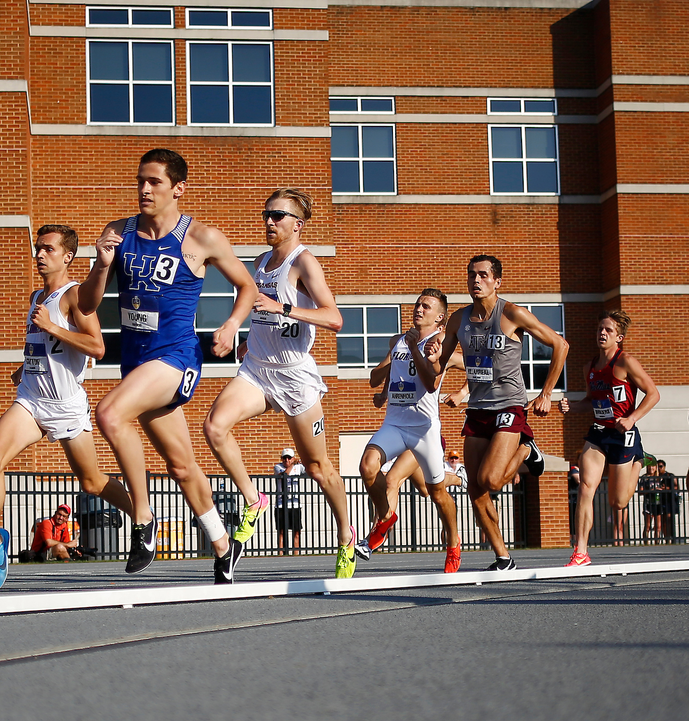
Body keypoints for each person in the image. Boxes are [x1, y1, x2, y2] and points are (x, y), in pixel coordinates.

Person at [78, 149, 257, 585]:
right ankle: (222, 543)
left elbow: (247, 287)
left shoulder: (200, 238)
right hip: (137, 363)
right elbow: (86, 304)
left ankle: (143, 518)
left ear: (178, 188)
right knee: (181, 466)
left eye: (154, 182)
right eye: (140, 180)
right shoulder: (118, 233)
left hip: (177, 358)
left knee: (109, 413)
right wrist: (102, 266)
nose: (144, 189)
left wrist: (232, 324)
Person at [0, 224, 134, 593]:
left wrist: (54, 329)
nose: (39, 254)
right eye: (38, 248)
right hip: (31, 398)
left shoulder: (74, 296)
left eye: (48, 249)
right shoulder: (36, 297)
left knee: (91, 481)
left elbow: (97, 347)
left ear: (67, 256)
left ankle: (141, 518)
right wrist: (26, 365)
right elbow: (43, 344)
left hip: (66, 405)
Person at [201, 188, 356, 578]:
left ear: (297, 224)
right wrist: (246, 339)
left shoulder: (304, 262)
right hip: (257, 368)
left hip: (294, 375)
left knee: (319, 468)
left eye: (278, 216)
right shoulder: (259, 262)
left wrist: (282, 306)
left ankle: (346, 536)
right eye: (267, 214)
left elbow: (334, 318)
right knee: (214, 427)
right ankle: (254, 501)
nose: (269, 221)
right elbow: (255, 310)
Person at [433, 254, 567, 571]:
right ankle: (503, 557)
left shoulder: (511, 313)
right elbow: (441, 366)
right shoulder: (459, 319)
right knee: (475, 488)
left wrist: (546, 393)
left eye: (482, 275)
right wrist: (431, 362)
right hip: (478, 409)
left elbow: (560, 345)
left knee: (491, 480)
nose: (475, 281)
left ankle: (526, 449)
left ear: (497, 281)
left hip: (509, 405)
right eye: (471, 275)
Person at [357, 290, 464, 573]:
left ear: (440, 317)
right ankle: (386, 517)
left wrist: (464, 392)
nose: (418, 309)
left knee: (436, 493)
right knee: (368, 466)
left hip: (424, 431)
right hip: (395, 423)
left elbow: (431, 383)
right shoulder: (399, 341)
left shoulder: (442, 344)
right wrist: (384, 388)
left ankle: (453, 543)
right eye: (417, 304)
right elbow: (374, 378)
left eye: (426, 306)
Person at [567, 310, 659, 566]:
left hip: (623, 434)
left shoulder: (625, 361)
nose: (602, 333)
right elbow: (590, 402)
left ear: (619, 337)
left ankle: (639, 461)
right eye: (600, 329)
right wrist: (572, 407)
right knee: (586, 488)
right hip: (598, 432)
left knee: (617, 503)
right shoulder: (589, 367)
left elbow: (653, 394)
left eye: (608, 330)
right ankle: (581, 552)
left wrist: (632, 418)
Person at [274, 448, 304, 555]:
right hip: (281, 504)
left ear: (293, 458)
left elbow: (309, 470)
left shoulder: (298, 467)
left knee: (296, 531)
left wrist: (302, 462)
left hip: (295, 504)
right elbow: (284, 475)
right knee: (281, 531)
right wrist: (292, 465)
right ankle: (281, 553)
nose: (287, 460)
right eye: (284, 458)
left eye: (289, 458)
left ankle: (296, 553)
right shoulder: (278, 467)